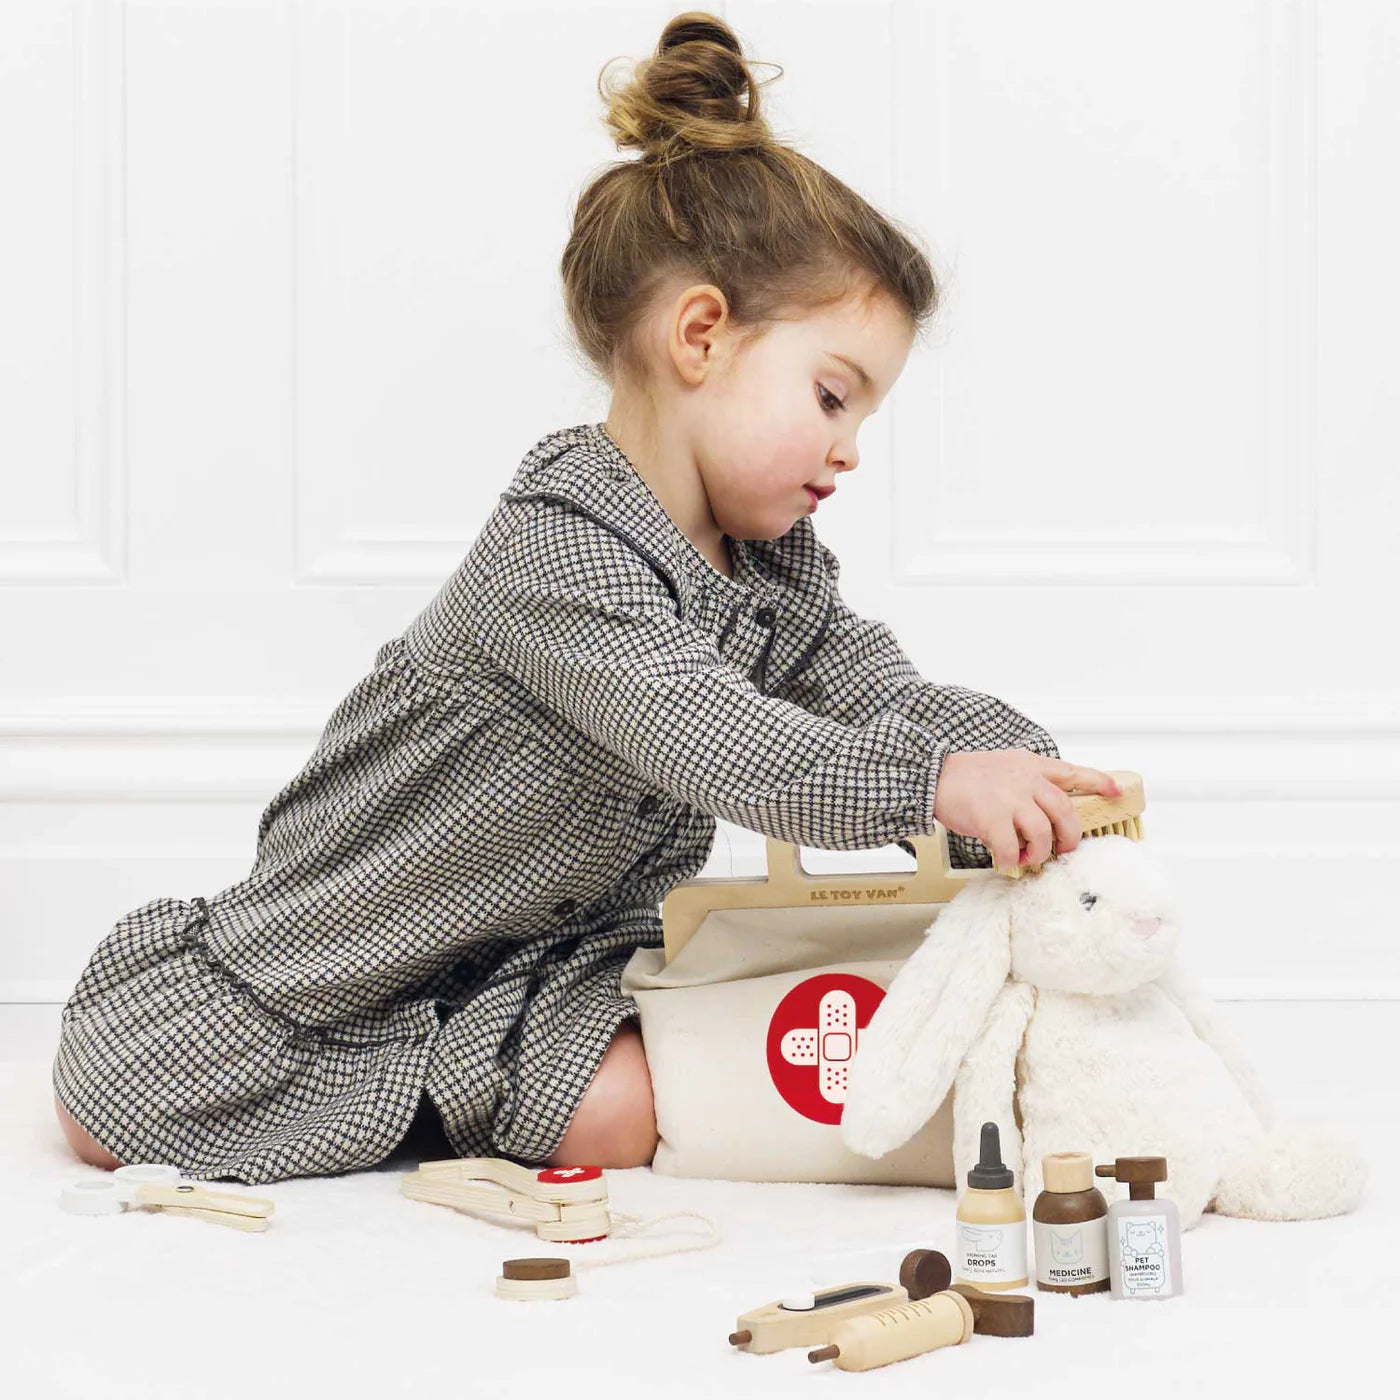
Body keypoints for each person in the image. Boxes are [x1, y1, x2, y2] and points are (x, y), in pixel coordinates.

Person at [53, 11, 1120, 1185]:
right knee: (123, 1107)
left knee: (614, 1115)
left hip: (533, 963)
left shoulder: (768, 568)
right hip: (331, 965)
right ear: (700, 335)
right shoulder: (556, 551)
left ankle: (455, 1078)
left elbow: (874, 684)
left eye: (863, 415)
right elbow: (730, 745)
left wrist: (1017, 761)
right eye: (830, 396)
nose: (849, 448)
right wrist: (929, 787)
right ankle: (361, 1091)